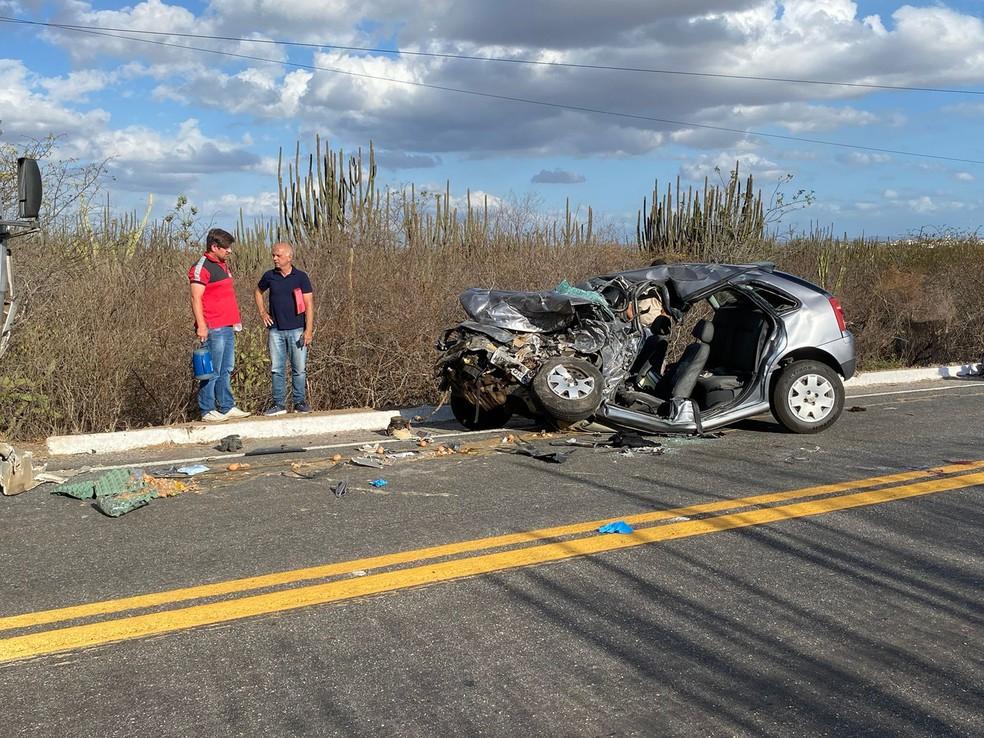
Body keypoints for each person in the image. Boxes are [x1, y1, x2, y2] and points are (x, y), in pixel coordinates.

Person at [188, 228, 251, 422]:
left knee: (226, 368)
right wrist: (201, 325)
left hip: (227, 325)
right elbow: (195, 298)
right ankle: (207, 409)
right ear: (214, 247)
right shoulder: (201, 267)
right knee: (212, 370)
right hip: (213, 325)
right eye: (226, 248)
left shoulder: (222, 265)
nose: (229, 251)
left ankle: (227, 405)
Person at [254, 242, 314, 415]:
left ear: (289, 256)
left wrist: (308, 329)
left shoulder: (301, 277)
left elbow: (309, 304)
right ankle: (278, 404)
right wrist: (263, 312)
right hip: (276, 330)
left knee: (299, 368)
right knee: (277, 368)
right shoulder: (269, 276)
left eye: (278, 255)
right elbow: (258, 292)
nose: (274, 258)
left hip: (297, 330)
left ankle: (299, 402)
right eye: (273, 255)